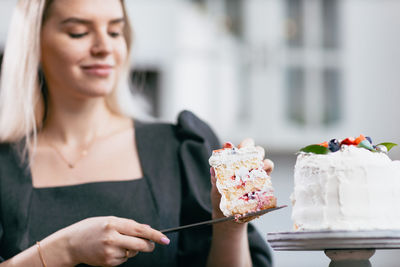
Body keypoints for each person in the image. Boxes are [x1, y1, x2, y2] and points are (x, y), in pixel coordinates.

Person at [0, 0, 275, 266]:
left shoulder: (180, 148)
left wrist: (230, 222)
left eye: (115, 31)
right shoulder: (4, 164)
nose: (104, 47)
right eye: (79, 32)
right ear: (33, 41)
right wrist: (66, 249)